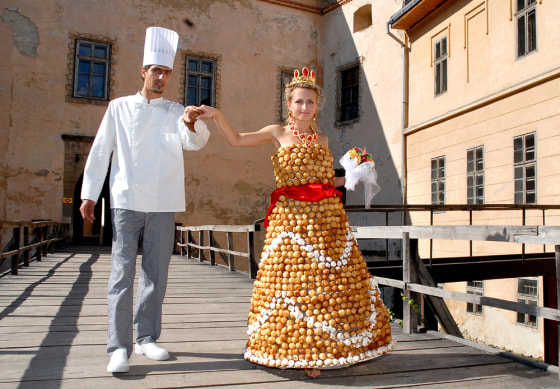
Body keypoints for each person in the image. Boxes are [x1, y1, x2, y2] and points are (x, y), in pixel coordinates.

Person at [195, 67, 394, 378]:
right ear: (289, 105)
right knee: (292, 283)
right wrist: (218, 116)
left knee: (326, 286)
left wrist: (354, 176)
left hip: (326, 219)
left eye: (310, 103)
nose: (304, 108)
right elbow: (235, 140)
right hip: (291, 221)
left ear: (317, 106)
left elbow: (327, 181)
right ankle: (296, 351)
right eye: (299, 102)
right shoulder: (277, 133)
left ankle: (328, 348)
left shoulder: (324, 139)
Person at [80, 26, 210, 374]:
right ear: (144, 72)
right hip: (125, 199)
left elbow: (194, 143)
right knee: (121, 274)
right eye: (157, 71)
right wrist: (89, 194)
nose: (162, 77)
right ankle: (118, 346)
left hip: (164, 202)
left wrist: (192, 121)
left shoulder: (176, 110)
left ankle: (146, 338)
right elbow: (100, 151)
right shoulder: (119, 108)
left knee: (157, 273)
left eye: (167, 72)